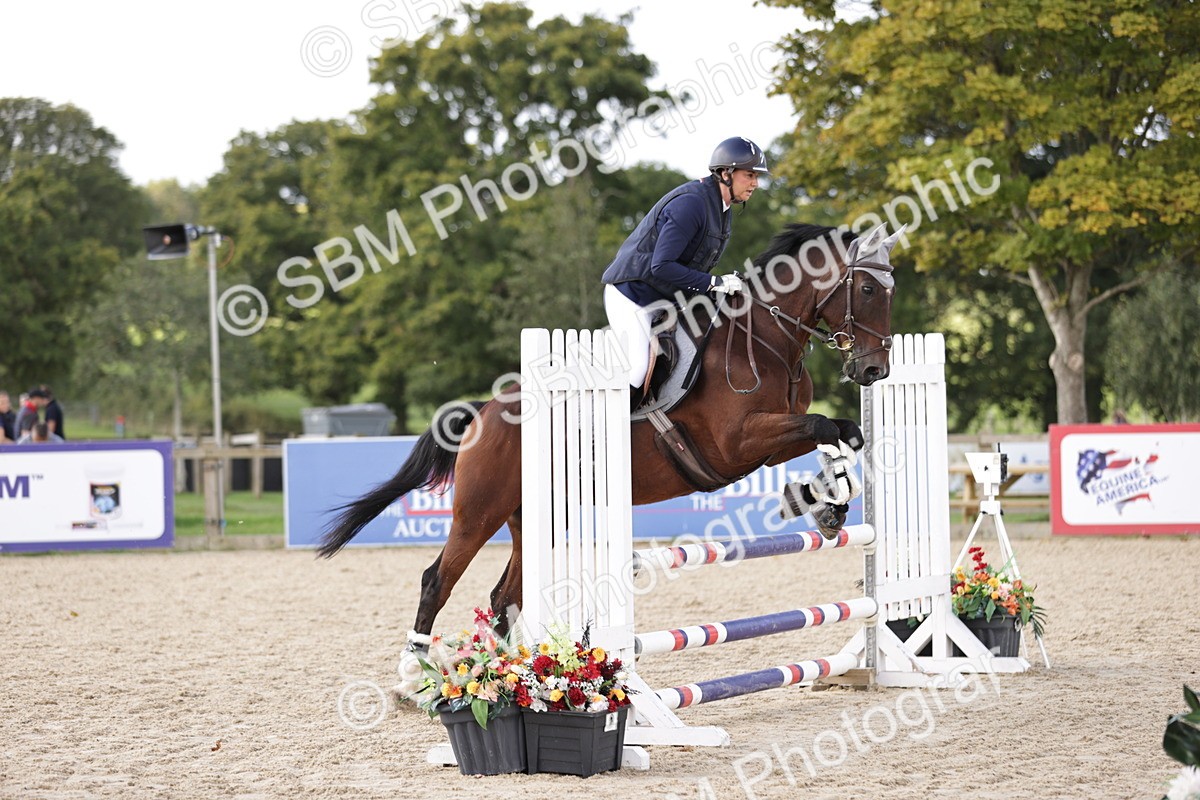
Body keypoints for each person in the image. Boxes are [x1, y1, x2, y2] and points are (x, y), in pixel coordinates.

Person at [601, 136, 768, 396]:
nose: (755, 183)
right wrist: (715, 283)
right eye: (749, 175)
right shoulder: (692, 204)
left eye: (756, 176)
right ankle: (616, 432)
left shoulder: (722, 209)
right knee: (637, 369)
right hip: (632, 296)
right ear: (726, 173)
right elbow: (663, 266)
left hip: (666, 299)